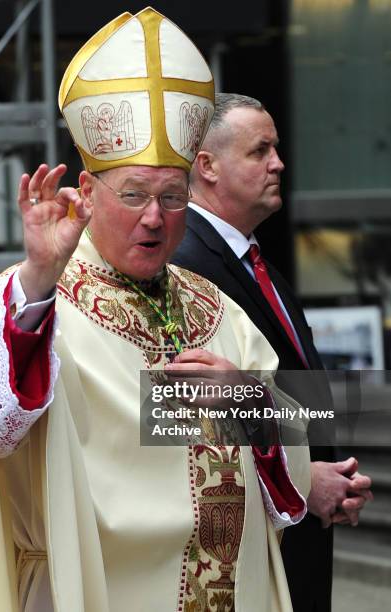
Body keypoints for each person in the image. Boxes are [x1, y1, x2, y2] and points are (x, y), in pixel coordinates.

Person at [0, 13, 310, 612]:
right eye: (133, 195)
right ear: (89, 190)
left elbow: (290, 436)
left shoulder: (216, 309)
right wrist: (39, 281)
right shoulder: (39, 301)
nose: (154, 217)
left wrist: (246, 398)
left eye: (172, 198)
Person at [172, 92, 374, 612]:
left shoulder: (254, 259)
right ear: (207, 166)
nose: (278, 163)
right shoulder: (184, 264)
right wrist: (305, 478)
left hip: (300, 522)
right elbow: (175, 411)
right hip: (248, 540)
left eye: (276, 148)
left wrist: (331, 473)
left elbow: (297, 381)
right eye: (260, 150)